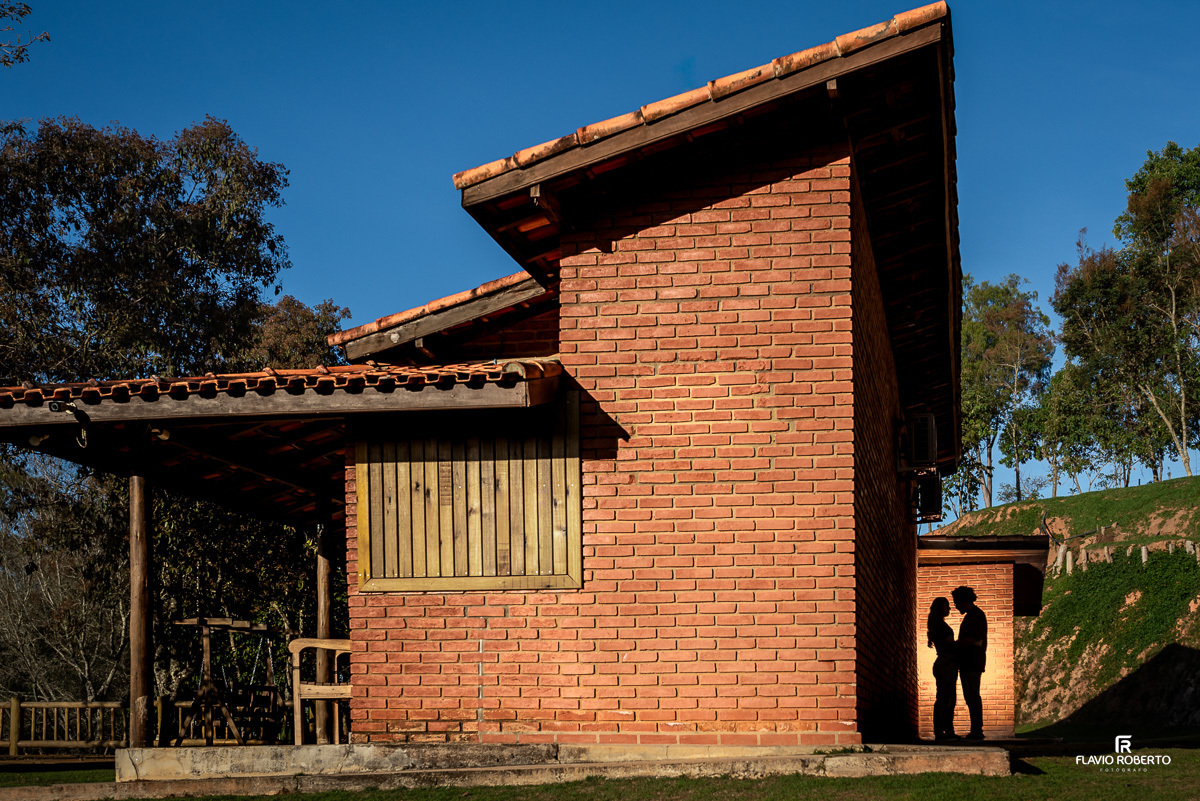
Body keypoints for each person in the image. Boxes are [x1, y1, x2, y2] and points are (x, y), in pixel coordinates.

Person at [952, 585, 987, 740]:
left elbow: (972, 640)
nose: (955, 605)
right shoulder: (973, 615)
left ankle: (977, 730)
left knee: (972, 695)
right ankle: (976, 729)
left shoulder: (975, 616)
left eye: (956, 602)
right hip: (971, 661)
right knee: (971, 695)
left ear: (962, 600)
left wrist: (953, 645)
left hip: (972, 662)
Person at [926, 596, 959, 741]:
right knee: (945, 698)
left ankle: (946, 730)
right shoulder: (939, 625)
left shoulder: (936, 624)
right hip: (946, 664)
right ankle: (941, 731)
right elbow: (949, 646)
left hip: (945, 664)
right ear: (940, 607)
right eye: (947, 606)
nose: (949, 609)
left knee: (948, 698)